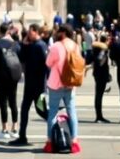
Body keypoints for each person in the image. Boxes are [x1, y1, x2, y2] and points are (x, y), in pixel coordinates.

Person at [44, 23, 82, 153]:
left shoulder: (56, 46)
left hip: (56, 84)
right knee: (72, 112)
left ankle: (50, 142)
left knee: (53, 113)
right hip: (70, 84)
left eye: (60, 31)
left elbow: (48, 63)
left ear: (63, 33)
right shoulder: (76, 46)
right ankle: (75, 142)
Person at [9, 23, 48, 147]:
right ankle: (22, 136)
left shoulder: (41, 46)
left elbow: (47, 65)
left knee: (41, 111)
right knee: (24, 109)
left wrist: (49, 82)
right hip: (30, 85)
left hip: (39, 87)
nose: (28, 34)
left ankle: (56, 124)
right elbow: (21, 57)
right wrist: (23, 43)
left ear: (35, 32)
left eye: (30, 32)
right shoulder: (31, 45)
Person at [0, 22, 21, 140]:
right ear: (8, 31)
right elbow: (20, 61)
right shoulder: (16, 45)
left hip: (1, 78)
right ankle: (15, 128)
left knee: (3, 104)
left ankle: (5, 129)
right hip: (13, 78)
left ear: (1, 32)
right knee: (13, 102)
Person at [89, 32, 112, 122]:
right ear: (106, 40)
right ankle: (99, 117)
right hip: (101, 73)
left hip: (97, 73)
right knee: (99, 95)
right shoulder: (103, 49)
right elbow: (99, 59)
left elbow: (92, 59)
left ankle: (99, 116)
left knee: (98, 94)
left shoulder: (96, 48)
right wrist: (102, 64)